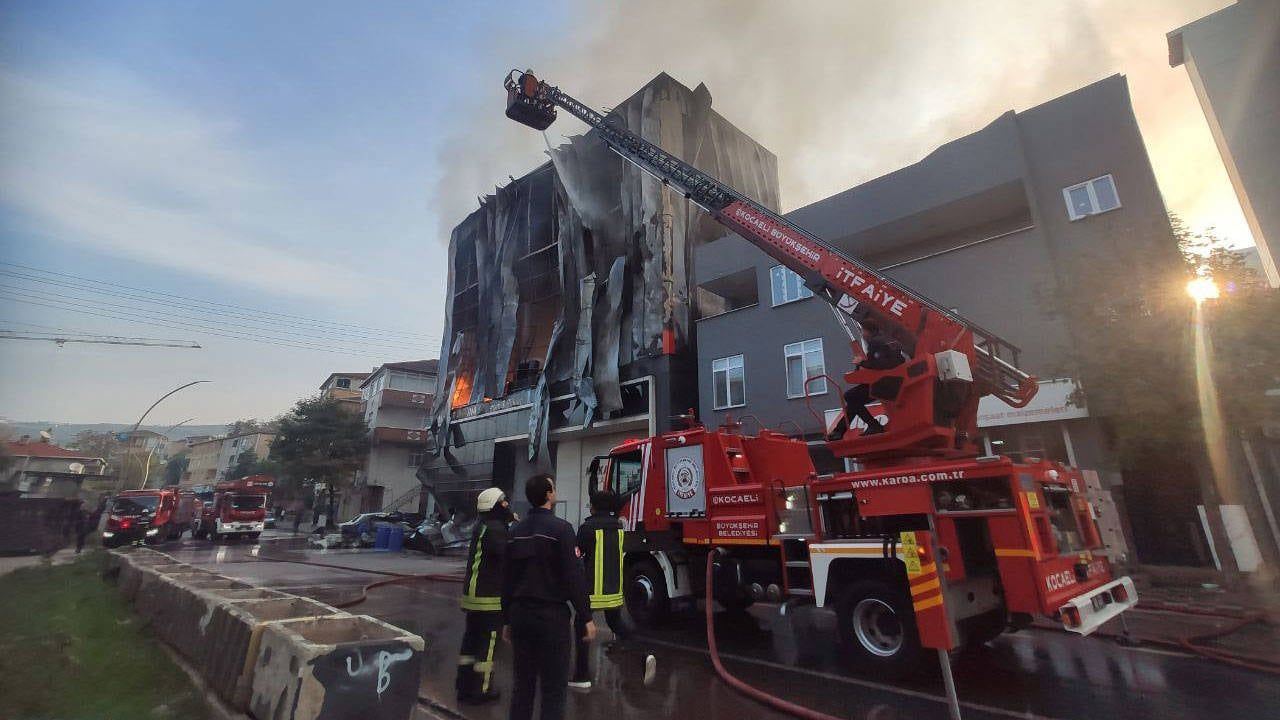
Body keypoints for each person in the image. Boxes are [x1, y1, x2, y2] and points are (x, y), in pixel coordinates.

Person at [502, 474, 594, 720]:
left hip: (520, 615)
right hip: (551, 618)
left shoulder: (516, 530)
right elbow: (573, 576)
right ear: (548, 495)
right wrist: (585, 616)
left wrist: (507, 619)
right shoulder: (562, 530)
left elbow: (507, 578)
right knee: (553, 688)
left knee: (522, 686)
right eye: (553, 487)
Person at [456, 487, 513, 705]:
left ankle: (463, 686)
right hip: (488, 597)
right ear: (495, 506)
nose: (507, 505)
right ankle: (482, 689)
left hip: (473, 596)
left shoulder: (483, 526)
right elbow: (507, 554)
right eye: (504, 502)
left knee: (470, 643)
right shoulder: (496, 529)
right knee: (487, 645)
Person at [569, 492, 629, 690]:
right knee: (616, 624)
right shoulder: (618, 526)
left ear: (594, 506)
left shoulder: (587, 528)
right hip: (614, 590)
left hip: (592, 591)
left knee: (582, 626)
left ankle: (581, 676)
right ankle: (641, 652)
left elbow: (576, 555)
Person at [828, 321, 909, 439]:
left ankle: (873, 426)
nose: (862, 334)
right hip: (894, 380)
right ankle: (838, 431)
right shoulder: (887, 341)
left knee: (850, 396)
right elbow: (892, 361)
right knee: (854, 399)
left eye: (862, 331)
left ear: (867, 331)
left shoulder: (875, 343)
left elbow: (880, 364)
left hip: (885, 384)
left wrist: (861, 362)